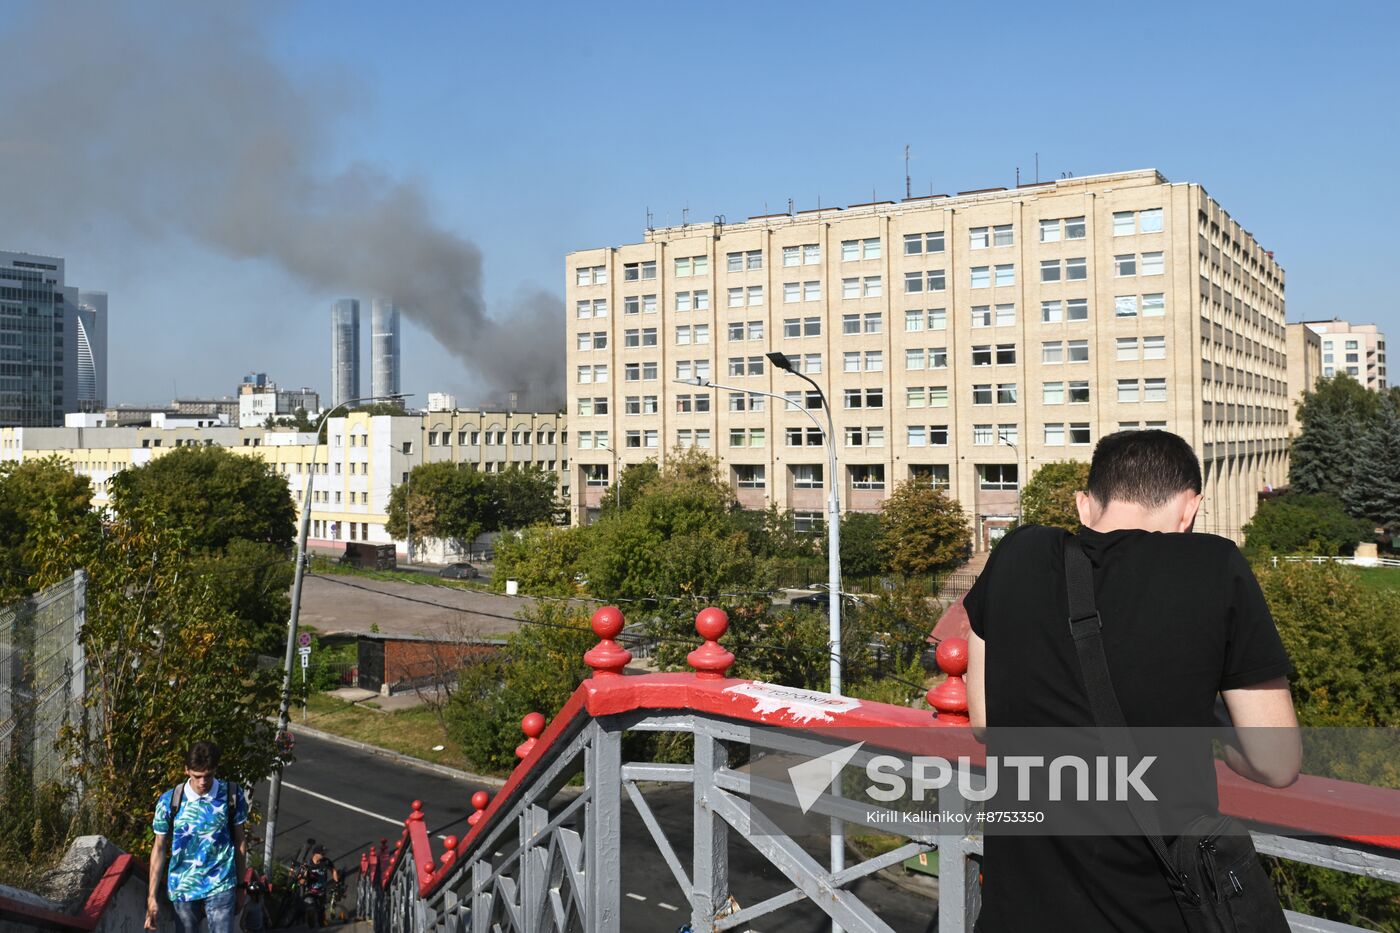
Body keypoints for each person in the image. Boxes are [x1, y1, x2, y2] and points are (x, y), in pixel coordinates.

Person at [964, 430, 1301, 932]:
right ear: (1190, 506)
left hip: (1016, 913)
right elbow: (1276, 763)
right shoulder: (1215, 565)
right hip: (1150, 913)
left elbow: (986, 721)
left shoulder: (1017, 553)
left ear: (1084, 504)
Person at [147, 740, 250, 933]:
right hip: (183, 886)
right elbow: (159, 847)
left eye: (208, 776)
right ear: (187, 770)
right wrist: (151, 896)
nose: (203, 782)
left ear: (215, 769)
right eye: (197, 776)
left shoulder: (232, 794)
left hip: (221, 883)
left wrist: (241, 886)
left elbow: (240, 842)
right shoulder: (170, 800)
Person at [296, 845, 340, 928]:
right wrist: (304, 878)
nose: (324, 855)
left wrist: (336, 882)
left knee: (321, 910)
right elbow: (300, 880)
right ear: (316, 854)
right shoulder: (307, 864)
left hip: (322, 891)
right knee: (310, 908)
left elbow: (333, 870)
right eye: (322, 853)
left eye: (324, 853)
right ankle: (311, 926)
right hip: (310, 891)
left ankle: (321, 924)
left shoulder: (326, 861)